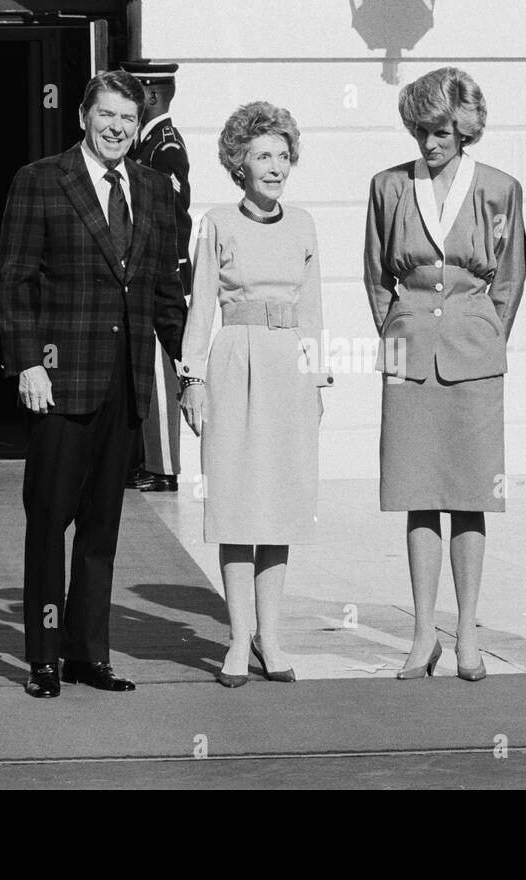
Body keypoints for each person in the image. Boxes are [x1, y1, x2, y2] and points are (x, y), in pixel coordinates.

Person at [0, 70, 187, 698]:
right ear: (83, 116)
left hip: (126, 386)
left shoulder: (156, 189)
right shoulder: (41, 180)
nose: (116, 128)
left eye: (128, 120)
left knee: (102, 529)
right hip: (58, 380)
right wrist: (27, 363)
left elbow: (164, 291)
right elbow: (12, 281)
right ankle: (45, 657)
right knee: (50, 523)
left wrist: (191, 369)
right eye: (106, 115)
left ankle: (87, 654)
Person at [363, 67, 526, 683]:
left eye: (439, 132)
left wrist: (484, 331)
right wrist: (399, 331)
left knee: (470, 495)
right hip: (409, 357)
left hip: (473, 354)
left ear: (463, 129)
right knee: (416, 496)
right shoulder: (387, 187)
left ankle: (466, 636)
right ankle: (420, 635)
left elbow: (510, 273)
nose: (429, 144)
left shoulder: (500, 188)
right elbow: (377, 274)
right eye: (420, 131)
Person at [178, 101, 330, 688]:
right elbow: (201, 305)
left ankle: (272, 636)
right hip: (234, 364)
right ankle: (238, 639)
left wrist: (317, 381)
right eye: (262, 155)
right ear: (238, 163)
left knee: (281, 509)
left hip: (289, 365)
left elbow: (314, 311)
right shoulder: (218, 220)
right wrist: (191, 380)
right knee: (238, 505)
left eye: (282, 155)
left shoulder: (305, 224)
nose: (274, 166)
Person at [120, 59, 192, 493]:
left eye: (133, 95)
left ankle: (164, 468)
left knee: (162, 375)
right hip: (145, 273)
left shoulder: (164, 146)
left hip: (158, 274)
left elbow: (168, 217)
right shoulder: (145, 142)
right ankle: (149, 460)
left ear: (151, 96)